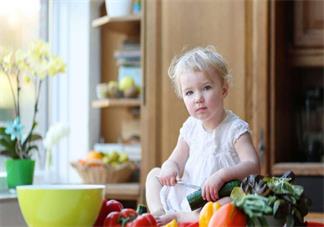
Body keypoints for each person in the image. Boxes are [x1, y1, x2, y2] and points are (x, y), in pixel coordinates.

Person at [145, 46, 260, 226]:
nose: (198, 98)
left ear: (224, 90)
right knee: (154, 175)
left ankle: (183, 217)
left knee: (232, 204)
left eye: (206, 88)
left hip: (218, 196)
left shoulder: (235, 129)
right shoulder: (190, 127)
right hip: (191, 193)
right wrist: (170, 168)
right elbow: (175, 160)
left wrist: (222, 176)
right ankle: (159, 214)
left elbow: (253, 165)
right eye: (189, 92)